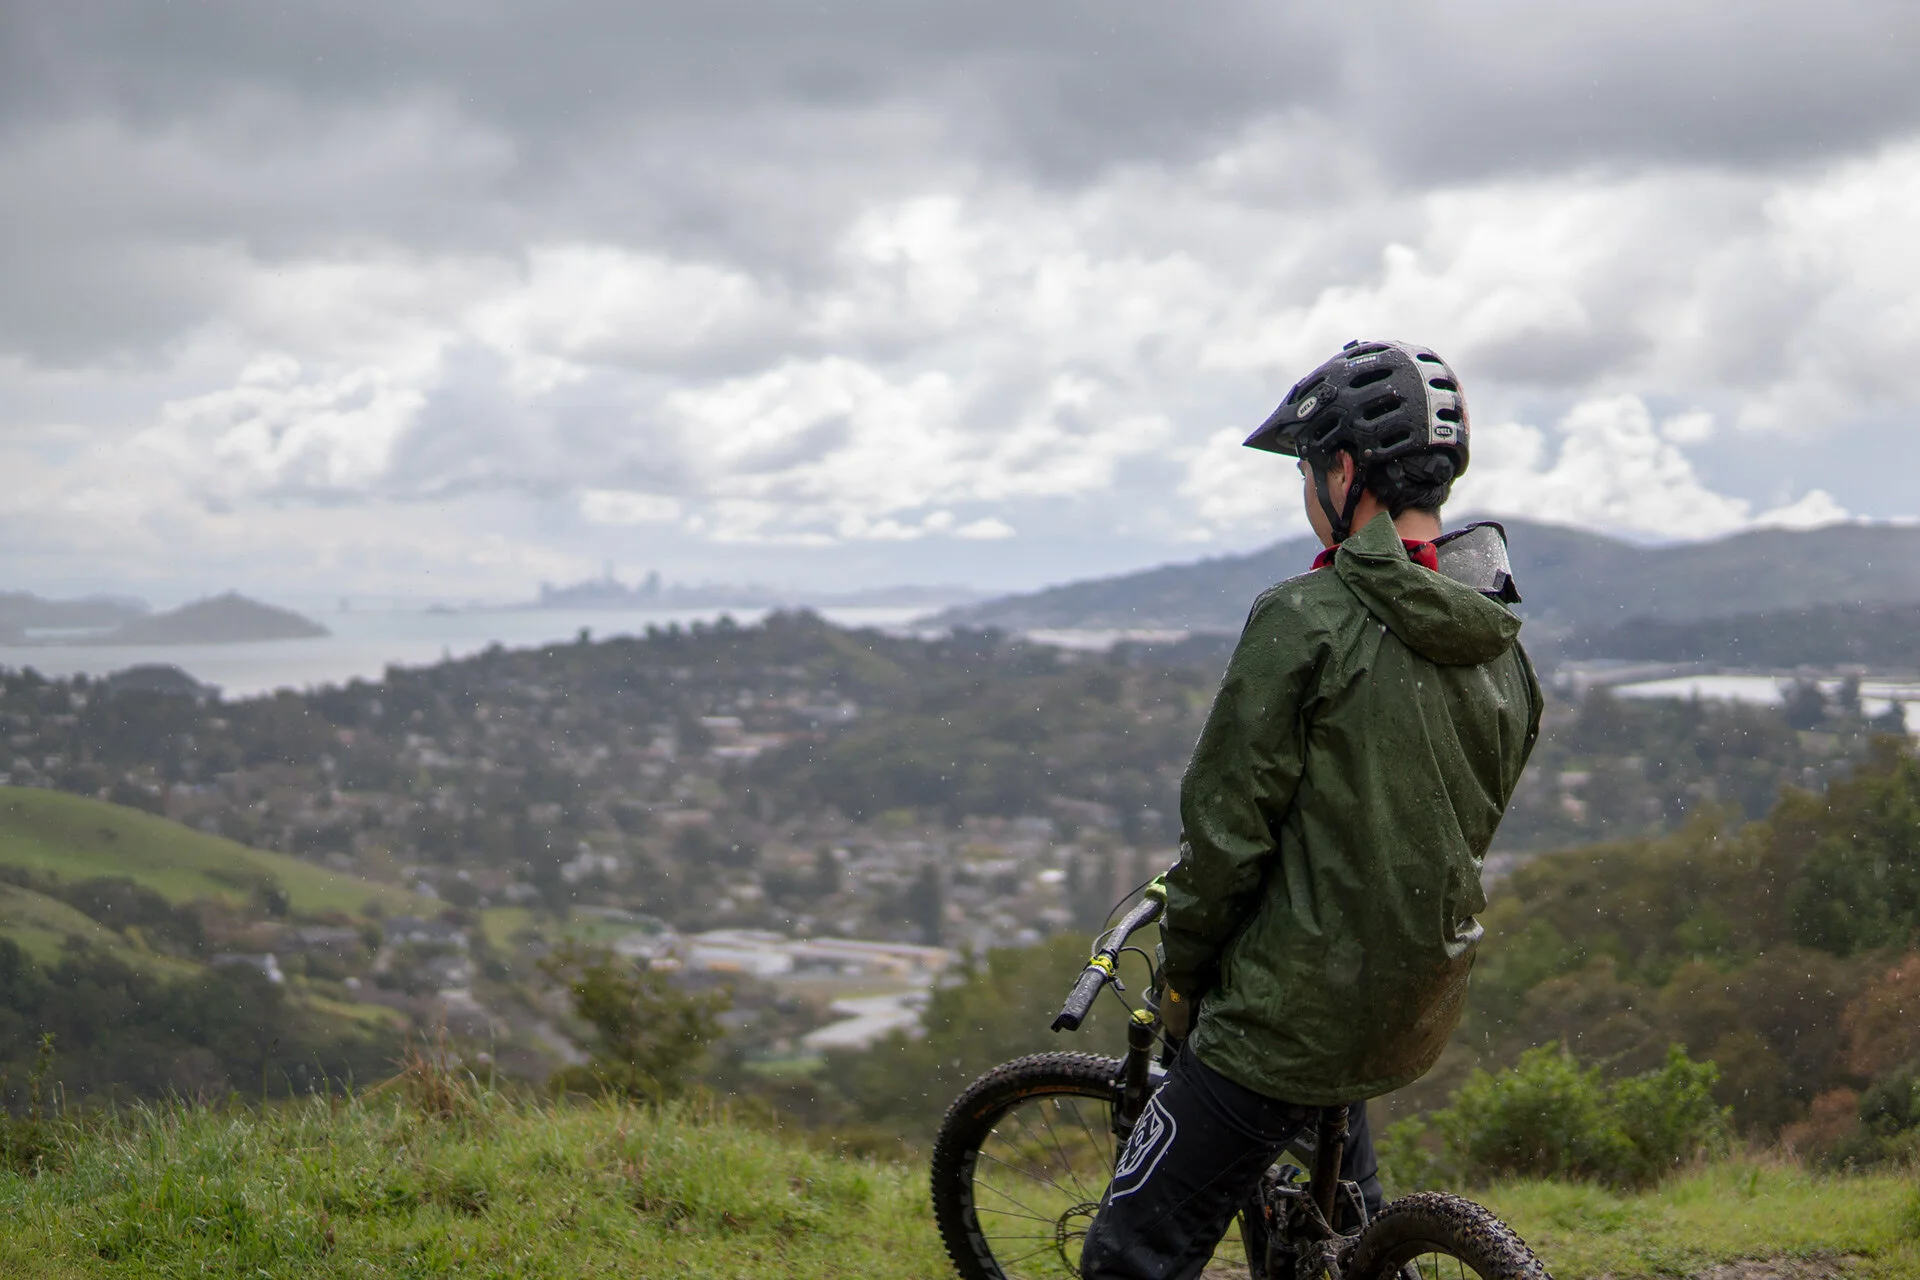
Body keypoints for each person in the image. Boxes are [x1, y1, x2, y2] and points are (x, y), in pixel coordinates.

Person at [1079, 340, 1543, 1280]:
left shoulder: (1304, 617)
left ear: (1342, 472)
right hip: (1410, 998)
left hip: (1288, 1012)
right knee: (1339, 1245)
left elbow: (1226, 834)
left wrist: (1184, 983)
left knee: (1129, 1257)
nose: (1302, 483)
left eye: (1305, 464)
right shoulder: (1503, 647)